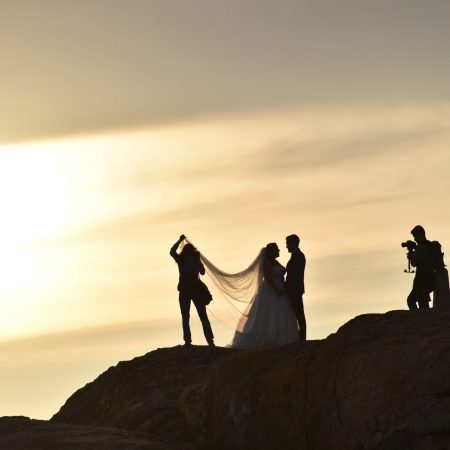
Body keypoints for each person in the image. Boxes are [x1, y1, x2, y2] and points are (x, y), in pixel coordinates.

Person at [229, 243, 299, 348]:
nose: (279, 250)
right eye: (277, 249)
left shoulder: (275, 262)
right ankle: (269, 338)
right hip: (271, 290)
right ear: (272, 251)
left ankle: (279, 337)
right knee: (270, 314)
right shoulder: (268, 262)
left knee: (279, 314)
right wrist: (276, 289)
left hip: (281, 290)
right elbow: (267, 277)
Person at [170, 235, 215, 346]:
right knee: (203, 316)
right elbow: (203, 272)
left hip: (185, 290)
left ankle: (187, 341)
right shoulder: (195, 258)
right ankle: (210, 341)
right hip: (195, 289)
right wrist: (197, 264)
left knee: (185, 317)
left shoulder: (181, 259)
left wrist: (179, 240)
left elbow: (172, 251)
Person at [406, 225, 434, 310]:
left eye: (415, 236)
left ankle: (419, 320)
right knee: (423, 302)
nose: (415, 239)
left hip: (421, 280)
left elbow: (414, 263)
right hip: (430, 279)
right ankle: (426, 320)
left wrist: (411, 256)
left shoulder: (420, 248)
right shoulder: (429, 246)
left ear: (420, 235)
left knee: (411, 300)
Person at [285, 234, 307, 341]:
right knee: (296, 314)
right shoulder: (295, 255)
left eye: (287, 244)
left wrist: (288, 287)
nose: (286, 246)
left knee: (299, 314)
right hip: (293, 289)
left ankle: (302, 338)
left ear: (293, 243)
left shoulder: (299, 256)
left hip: (295, 289)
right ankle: (298, 337)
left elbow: (295, 275)